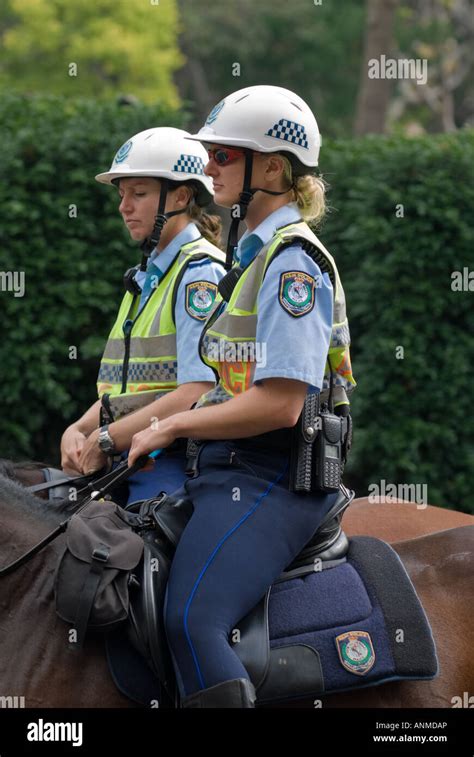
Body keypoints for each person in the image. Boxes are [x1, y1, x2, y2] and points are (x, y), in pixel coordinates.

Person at [127, 85, 356, 707]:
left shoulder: (293, 264)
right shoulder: (248, 259)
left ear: (275, 169)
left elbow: (281, 404)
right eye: (210, 154)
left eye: (225, 154)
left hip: (274, 477)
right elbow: (231, 385)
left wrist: (172, 428)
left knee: (192, 621)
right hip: (225, 470)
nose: (209, 167)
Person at [60, 128, 226, 502]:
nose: (124, 207)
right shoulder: (146, 276)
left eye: (139, 193)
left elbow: (197, 390)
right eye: (122, 195)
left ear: (181, 196)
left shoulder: (199, 274)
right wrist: (78, 427)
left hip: (172, 463)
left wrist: (105, 438)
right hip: (129, 457)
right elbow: (127, 393)